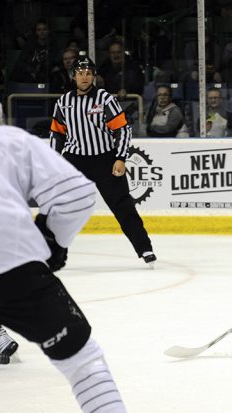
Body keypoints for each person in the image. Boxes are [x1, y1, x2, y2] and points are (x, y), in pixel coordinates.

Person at [0, 84, 162, 413]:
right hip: (14, 261)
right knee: (82, 360)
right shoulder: (12, 140)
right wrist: (54, 242)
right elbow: (76, 193)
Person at [49, 57, 156, 266]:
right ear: (74, 76)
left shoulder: (105, 98)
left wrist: (120, 157)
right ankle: (54, 253)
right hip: (75, 160)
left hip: (105, 159)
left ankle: (145, 248)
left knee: (123, 206)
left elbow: (122, 129)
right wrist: (54, 162)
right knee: (62, 207)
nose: (84, 77)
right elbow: (57, 134)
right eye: (80, 73)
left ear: (94, 75)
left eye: (88, 73)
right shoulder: (64, 102)